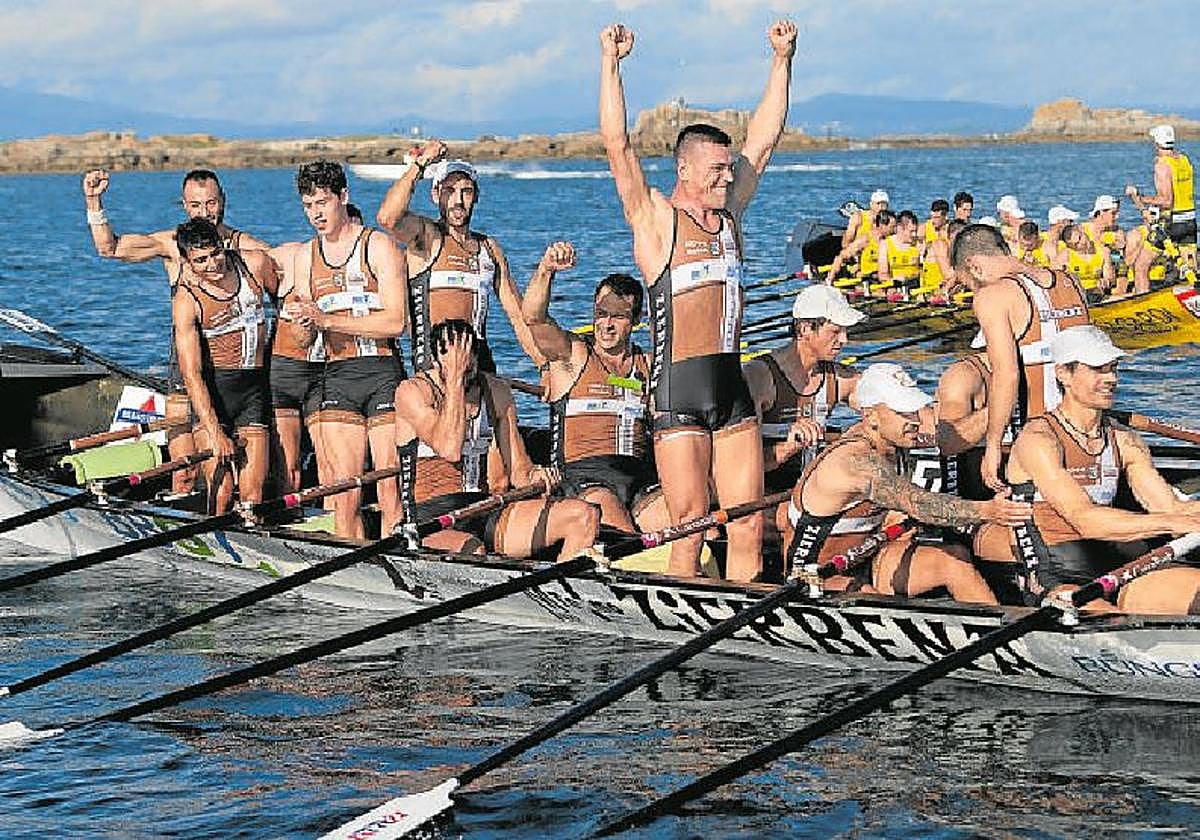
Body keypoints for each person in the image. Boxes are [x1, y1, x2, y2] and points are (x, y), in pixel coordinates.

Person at [599, 20, 797, 581]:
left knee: (747, 523)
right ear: (684, 169)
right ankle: (685, 609)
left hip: (730, 386)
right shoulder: (658, 222)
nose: (724, 179)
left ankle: (741, 619)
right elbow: (617, 145)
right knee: (690, 521)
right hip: (677, 390)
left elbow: (765, 137)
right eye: (714, 171)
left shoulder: (731, 214)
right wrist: (611, 65)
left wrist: (781, 60)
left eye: (727, 171)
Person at [81, 168, 270, 495]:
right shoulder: (171, 245)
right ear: (184, 206)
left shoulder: (244, 248)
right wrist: (94, 200)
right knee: (184, 470)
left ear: (223, 200)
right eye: (196, 205)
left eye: (211, 203)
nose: (205, 212)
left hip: (234, 376)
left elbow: (289, 271)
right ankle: (182, 520)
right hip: (185, 371)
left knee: (232, 475)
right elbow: (109, 248)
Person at [784, 363, 1032, 604]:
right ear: (870, 415)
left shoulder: (894, 437)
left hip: (868, 557)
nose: (914, 420)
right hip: (816, 574)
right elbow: (919, 504)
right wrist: (988, 511)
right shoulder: (855, 462)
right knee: (874, 601)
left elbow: (952, 433)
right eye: (903, 412)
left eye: (914, 409)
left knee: (954, 560)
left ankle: (998, 631)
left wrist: (1003, 408)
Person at [1006, 326, 1200, 614]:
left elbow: (1168, 506)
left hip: (1118, 566)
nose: (1111, 378)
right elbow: (1086, 520)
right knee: (1114, 622)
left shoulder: (1125, 440)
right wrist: (1174, 523)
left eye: (1113, 368)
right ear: (1064, 374)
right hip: (1058, 576)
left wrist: (1188, 515)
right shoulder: (1038, 440)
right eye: (1098, 369)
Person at [394, 319, 600, 560]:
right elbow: (449, 449)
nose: (466, 364)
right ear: (437, 359)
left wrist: (538, 476)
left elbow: (520, 472)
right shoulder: (412, 392)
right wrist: (455, 381)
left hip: (485, 509)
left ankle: (561, 591)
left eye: (470, 356)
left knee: (583, 515)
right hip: (430, 517)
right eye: (458, 358)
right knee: (474, 549)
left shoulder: (496, 391)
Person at [288, 161, 408, 539]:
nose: (316, 214)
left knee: (389, 489)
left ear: (343, 197)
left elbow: (396, 322)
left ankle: (399, 560)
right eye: (308, 206)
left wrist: (326, 321)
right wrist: (302, 326)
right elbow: (305, 339)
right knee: (345, 492)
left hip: (381, 373)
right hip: (337, 375)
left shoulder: (379, 245)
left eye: (322, 203)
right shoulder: (306, 256)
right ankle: (353, 564)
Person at [520, 241, 668, 533]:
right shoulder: (573, 355)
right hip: (584, 479)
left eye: (618, 316)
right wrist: (547, 269)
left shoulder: (649, 365)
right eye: (601, 313)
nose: (606, 325)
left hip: (640, 481)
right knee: (622, 533)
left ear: (636, 320)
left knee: (694, 523)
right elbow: (533, 318)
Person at [375, 141, 539, 372]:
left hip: (479, 365)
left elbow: (518, 316)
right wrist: (420, 164)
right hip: (435, 366)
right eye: (449, 191)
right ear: (435, 195)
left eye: (466, 191)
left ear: (476, 196)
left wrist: (543, 366)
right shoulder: (426, 237)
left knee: (506, 406)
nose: (458, 201)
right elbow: (387, 218)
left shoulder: (489, 248)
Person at [952, 223, 1090, 492]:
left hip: (1040, 441)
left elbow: (1008, 374)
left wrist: (992, 447)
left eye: (969, 283)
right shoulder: (1071, 282)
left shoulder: (993, 296)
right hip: (1091, 434)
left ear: (973, 265)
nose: (974, 291)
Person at [171, 219, 275, 514]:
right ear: (187, 263)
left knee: (253, 494)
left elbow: (287, 291)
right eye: (201, 260)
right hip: (214, 396)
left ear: (224, 246)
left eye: (215, 254)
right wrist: (215, 432)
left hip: (253, 392)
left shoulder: (253, 264)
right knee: (223, 491)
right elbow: (191, 374)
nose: (212, 264)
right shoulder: (186, 298)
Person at [743, 285, 863, 533]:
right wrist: (787, 447)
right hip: (761, 497)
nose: (844, 340)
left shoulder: (838, 378)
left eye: (846, 331)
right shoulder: (759, 377)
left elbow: (883, 409)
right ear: (805, 329)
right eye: (836, 331)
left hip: (809, 492)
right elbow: (740, 466)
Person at [1126, 124, 1196, 264]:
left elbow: (1166, 201)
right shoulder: (1184, 160)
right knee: (1190, 265)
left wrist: (1140, 197)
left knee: (1141, 264)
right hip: (1190, 220)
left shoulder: (1162, 165)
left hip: (1173, 222)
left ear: (1157, 143)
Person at [827, 209, 896, 292]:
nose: (895, 230)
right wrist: (831, 276)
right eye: (892, 227)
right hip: (868, 280)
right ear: (882, 226)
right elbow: (841, 257)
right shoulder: (865, 240)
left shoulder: (892, 240)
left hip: (887, 280)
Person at [876, 209, 922, 299]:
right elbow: (883, 274)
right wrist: (893, 284)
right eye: (911, 231)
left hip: (915, 288)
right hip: (895, 288)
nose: (914, 235)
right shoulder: (885, 244)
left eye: (915, 231)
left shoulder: (919, 244)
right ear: (900, 229)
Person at [1058, 222, 1113, 292]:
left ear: (1082, 230)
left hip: (1097, 293)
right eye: (1076, 244)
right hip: (1076, 294)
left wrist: (1105, 282)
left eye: (1080, 238)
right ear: (1071, 247)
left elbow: (1110, 278)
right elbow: (1052, 277)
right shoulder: (1066, 255)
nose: (1082, 243)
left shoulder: (1103, 251)